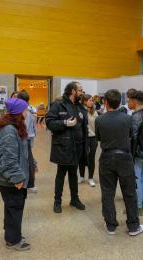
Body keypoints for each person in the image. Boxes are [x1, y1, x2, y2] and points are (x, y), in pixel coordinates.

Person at [95, 89, 143, 236]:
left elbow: (99, 138)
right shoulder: (128, 119)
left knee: (108, 192)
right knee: (129, 192)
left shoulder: (100, 119)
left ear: (105, 102)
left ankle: (111, 225)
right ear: (119, 102)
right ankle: (133, 226)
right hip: (124, 158)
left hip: (106, 158)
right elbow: (131, 136)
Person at [0, 98, 31, 251]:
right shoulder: (9, 130)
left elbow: (21, 152)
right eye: (26, 109)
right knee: (14, 207)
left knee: (12, 207)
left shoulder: (14, 126)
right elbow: (8, 159)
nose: (27, 112)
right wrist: (16, 177)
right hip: (10, 179)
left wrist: (31, 165)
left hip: (10, 178)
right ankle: (13, 241)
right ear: (19, 112)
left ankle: (11, 234)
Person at [45, 81, 87, 213]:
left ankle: (74, 199)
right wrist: (64, 123)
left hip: (77, 147)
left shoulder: (80, 107)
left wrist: (86, 146)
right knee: (61, 174)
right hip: (63, 147)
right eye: (80, 90)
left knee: (74, 174)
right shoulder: (58, 105)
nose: (82, 92)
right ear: (73, 91)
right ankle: (57, 202)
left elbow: (83, 127)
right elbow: (49, 122)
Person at [17, 90, 38, 193]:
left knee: (28, 161)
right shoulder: (28, 109)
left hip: (25, 139)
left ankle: (30, 184)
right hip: (27, 138)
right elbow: (34, 127)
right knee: (27, 160)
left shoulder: (26, 111)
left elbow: (27, 127)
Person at [78, 94, 98, 187]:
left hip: (93, 138)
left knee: (91, 159)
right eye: (89, 100)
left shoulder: (95, 112)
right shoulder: (81, 111)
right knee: (82, 157)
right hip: (83, 138)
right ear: (84, 101)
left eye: (92, 100)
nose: (91, 102)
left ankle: (90, 178)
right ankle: (81, 176)